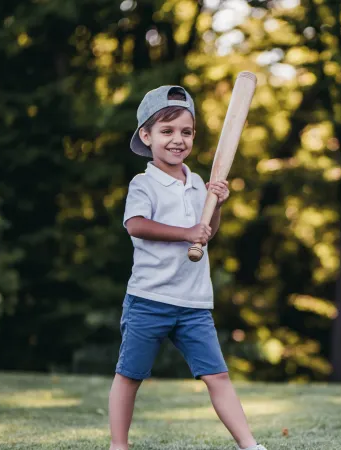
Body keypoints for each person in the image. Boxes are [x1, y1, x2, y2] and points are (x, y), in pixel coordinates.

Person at [109, 85, 267, 450]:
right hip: (149, 298)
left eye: (186, 131)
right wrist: (185, 233)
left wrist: (218, 204)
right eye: (167, 131)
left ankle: (249, 445)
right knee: (129, 376)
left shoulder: (197, 183)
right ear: (146, 136)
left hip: (193, 302)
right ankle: (119, 445)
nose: (177, 139)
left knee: (218, 375)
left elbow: (206, 231)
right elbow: (135, 225)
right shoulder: (143, 184)